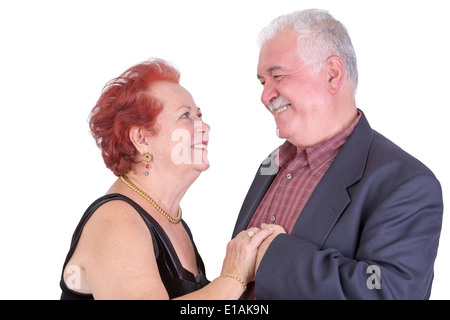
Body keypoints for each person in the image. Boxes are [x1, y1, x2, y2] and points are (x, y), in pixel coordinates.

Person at [232, 9, 443, 299]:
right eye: (262, 82)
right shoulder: (271, 165)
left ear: (332, 74)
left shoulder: (406, 182)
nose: (264, 95)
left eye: (276, 76)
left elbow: (389, 290)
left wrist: (274, 255)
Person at [60, 58, 273, 300]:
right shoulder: (116, 219)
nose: (204, 127)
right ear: (141, 139)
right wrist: (233, 277)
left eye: (199, 115)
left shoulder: (170, 219)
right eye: (185, 116)